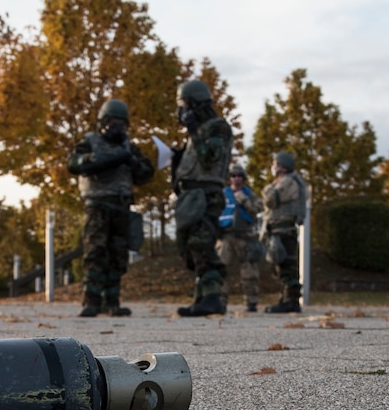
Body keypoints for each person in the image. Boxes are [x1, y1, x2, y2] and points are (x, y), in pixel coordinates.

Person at [67, 98, 154, 317]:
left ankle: (112, 301)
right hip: (97, 205)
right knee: (95, 252)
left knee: (118, 255)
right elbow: (74, 163)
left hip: (121, 206)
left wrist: (131, 161)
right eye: (113, 123)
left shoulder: (128, 147)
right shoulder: (90, 141)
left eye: (122, 124)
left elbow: (146, 172)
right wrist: (101, 159)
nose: (118, 128)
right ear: (103, 122)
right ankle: (92, 301)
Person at [169, 78, 233, 316]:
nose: (181, 112)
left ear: (196, 104)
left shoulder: (218, 127)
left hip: (207, 194)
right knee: (189, 246)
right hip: (191, 194)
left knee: (201, 243)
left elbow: (210, 159)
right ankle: (201, 297)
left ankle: (213, 296)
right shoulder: (195, 133)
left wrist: (194, 131)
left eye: (184, 105)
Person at [261, 150, 308, 313]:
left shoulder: (288, 182)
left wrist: (267, 188)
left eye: (275, 164)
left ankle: (291, 300)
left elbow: (271, 199)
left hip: (284, 229)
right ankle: (285, 298)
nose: (273, 167)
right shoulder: (287, 181)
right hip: (278, 229)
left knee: (286, 265)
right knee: (280, 265)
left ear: (282, 166)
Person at [217, 158, 264, 311]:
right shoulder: (222, 194)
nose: (236, 178)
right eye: (233, 175)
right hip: (225, 235)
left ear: (243, 178)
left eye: (239, 176)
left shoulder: (249, 194)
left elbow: (258, 209)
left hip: (244, 236)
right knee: (220, 269)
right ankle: (220, 301)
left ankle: (252, 302)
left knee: (249, 270)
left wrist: (244, 201)